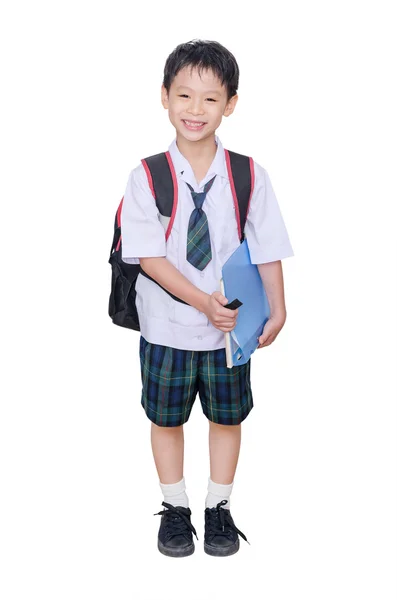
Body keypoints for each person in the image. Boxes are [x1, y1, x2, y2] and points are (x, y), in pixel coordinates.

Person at [120, 39, 294, 558]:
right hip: (167, 327)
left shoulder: (247, 174)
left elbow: (268, 247)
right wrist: (202, 302)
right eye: (185, 96)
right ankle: (175, 508)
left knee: (228, 418)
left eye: (211, 99)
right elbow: (148, 259)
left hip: (230, 331)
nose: (196, 110)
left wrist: (279, 307)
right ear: (164, 97)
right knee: (165, 419)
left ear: (231, 103)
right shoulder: (146, 176)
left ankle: (219, 508)